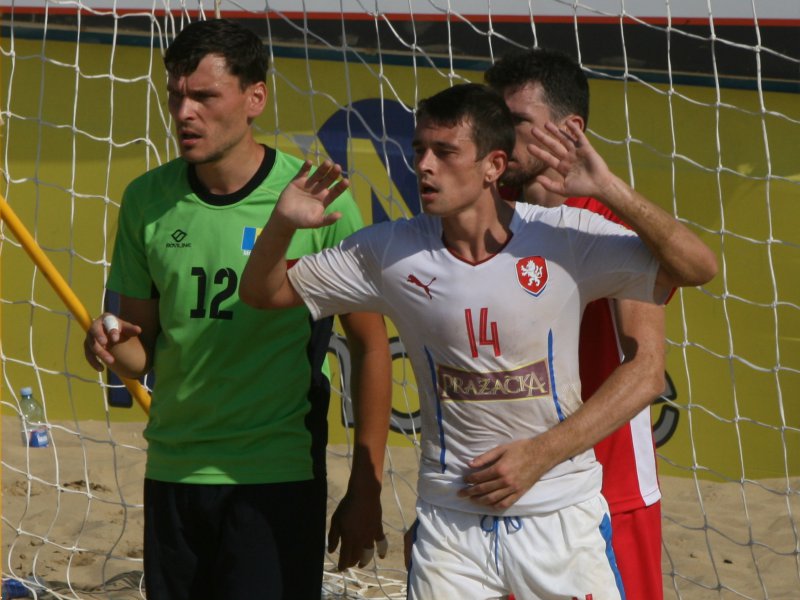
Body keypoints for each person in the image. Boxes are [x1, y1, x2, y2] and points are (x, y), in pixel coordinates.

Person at [239, 83, 717, 598]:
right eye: (419, 149)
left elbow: (698, 267)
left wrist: (610, 189)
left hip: (559, 515)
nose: (424, 165)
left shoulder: (564, 236)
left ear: (493, 166)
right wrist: (282, 224)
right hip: (451, 522)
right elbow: (264, 292)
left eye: (444, 152)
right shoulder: (389, 251)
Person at [82, 19, 392, 600]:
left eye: (203, 96)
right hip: (173, 468)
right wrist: (108, 343)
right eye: (175, 96)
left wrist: (366, 489)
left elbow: (372, 347)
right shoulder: (147, 199)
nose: (184, 113)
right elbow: (138, 348)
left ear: (255, 98)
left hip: (276, 473)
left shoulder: (318, 199)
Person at [485, 48, 667, 599]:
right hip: (503, 491)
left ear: (570, 129)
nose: (497, 135)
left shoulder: (615, 226)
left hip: (610, 495)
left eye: (513, 121)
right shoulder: (479, 218)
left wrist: (542, 454)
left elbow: (646, 373)